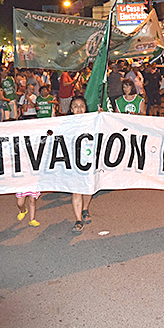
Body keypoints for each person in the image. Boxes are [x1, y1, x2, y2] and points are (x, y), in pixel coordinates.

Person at [70, 96, 94, 232]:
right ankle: (78, 219)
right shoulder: (65, 123)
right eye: (75, 106)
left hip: (88, 159)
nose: (79, 108)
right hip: (73, 161)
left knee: (88, 188)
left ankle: (85, 208)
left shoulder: (92, 121)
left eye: (82, 106)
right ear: (71, 109)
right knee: (76, 190)